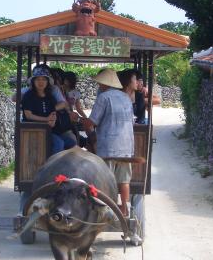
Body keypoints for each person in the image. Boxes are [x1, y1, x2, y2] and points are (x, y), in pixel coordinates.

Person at [82, 68, 134, 217]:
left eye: (100, 83)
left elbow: (91, 122)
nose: (99, 85)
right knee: (124, 181)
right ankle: (124, 211)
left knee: (106, 180)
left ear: (104, 84)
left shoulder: (104, 97)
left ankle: (106, 212)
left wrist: (87, 129)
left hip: (108, 147)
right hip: (126, 147)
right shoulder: (126, 97)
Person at [22, 65, 77, 154]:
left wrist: (53, 120)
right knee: (59, 143)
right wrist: (46, 119)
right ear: (33, 81)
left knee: (72, 142)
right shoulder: (28, 96)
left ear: (47, 81)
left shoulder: (49, 96)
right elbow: (28, 115)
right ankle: (52, 167)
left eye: (43, 79)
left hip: (49, 129)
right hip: (35, 129)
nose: (41, 82)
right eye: (38, 79)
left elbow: (53, 111)